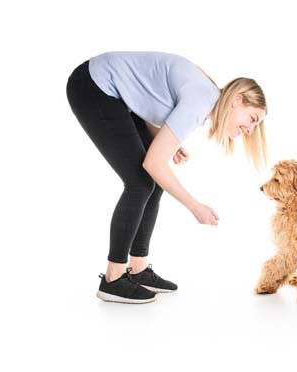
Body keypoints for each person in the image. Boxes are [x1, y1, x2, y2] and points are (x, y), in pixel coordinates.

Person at [66, 51, 267, 304]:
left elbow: (147, 98)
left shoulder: (206, 98)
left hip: (115, 94)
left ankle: (138, 269)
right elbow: (153, 163)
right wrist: (195, 207)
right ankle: (112, 278)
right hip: (93, 85)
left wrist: (165, 140)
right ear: (237, 100)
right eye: (252, 119)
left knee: (152, 184)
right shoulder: (201, 101)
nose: (249, 130)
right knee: (139, 183)